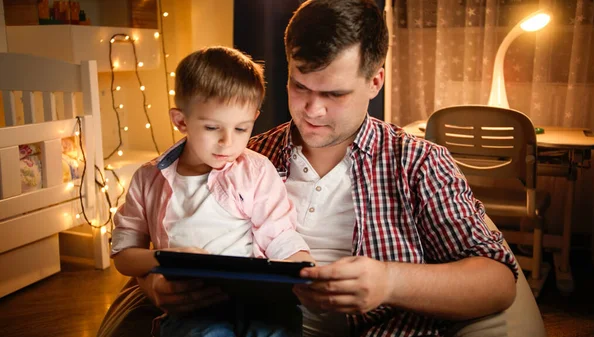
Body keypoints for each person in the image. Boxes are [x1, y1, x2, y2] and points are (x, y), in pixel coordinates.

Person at [98, 1, 518, 336]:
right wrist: (154, 287)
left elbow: (497, 282)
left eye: (334, 93)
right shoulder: (245, 157)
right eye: (300, 86)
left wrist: (390, 283)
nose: (313, 110)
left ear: (375, 82)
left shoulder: (418, 163)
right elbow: (155, 238)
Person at [110, 46, 315, 337]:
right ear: (181, 121)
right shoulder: (149, 178)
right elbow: (124, 253)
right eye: (212, 128)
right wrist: (168, 259)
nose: (227, 143)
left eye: (242, 129)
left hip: (260, 307)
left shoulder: (256, 171)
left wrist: (302, 268)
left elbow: (280, 235)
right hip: (194, 311)